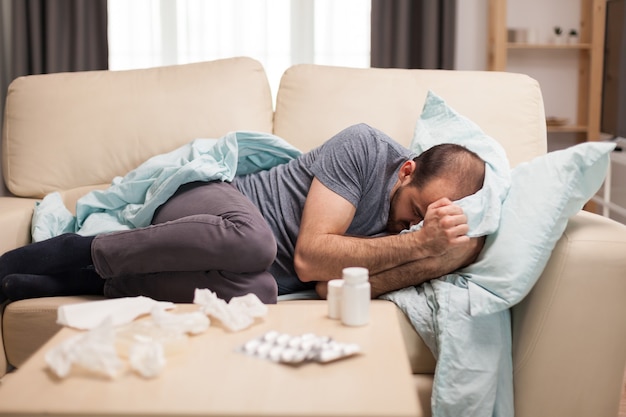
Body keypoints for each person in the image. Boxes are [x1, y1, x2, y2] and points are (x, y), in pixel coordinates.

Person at [0, 123, 485, 304]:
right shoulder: (364, 147)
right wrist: (419, 243)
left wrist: (444, 256)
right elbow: (313, 259)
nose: (410, 226)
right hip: (218, 209)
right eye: (413, 211)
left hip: (251, 268)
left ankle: (87, 283)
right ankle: (76, 251)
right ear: (405, 172)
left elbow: (327, 288)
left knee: (262, 291)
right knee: (256, 242)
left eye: (424, 225)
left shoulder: (425, 235)